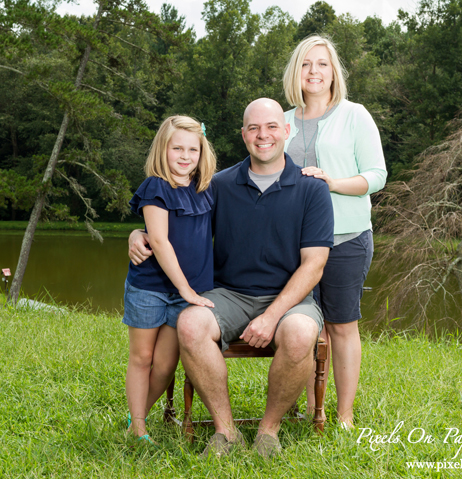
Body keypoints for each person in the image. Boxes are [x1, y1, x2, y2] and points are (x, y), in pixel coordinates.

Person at [129, 99, 334, 458]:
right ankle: (226, 432)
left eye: (271, 126)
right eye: (253, 128)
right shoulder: (218, 184)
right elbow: (174, 220)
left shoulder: (311, 188)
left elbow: (314, 266)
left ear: (286, 132)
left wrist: (271, 316)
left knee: (302, 333)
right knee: (190, 324)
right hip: (228, 294)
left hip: (291, 300)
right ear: (243, 135)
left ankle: (268, 432)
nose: (263, 135)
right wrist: (136, 233)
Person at [281, 35, 388, 429]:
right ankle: (313, 407)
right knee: (307, 326)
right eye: (307, 64)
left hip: (347, 237)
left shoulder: (355, 115)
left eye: (322, 64)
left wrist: (332, 182)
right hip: (295, 245)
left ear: (334, 72)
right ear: (297, 71)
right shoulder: (284, 120)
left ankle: (343, 415)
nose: (314, 72)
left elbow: (377, 176)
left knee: (341, 325)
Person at [122, 115, 216, 444]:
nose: (185, 155)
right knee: (142, 357)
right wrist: (185, 289)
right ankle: (138, 428)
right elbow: (159, 241)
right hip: (150, 288)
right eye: (177, 147)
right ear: (163, 149)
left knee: (164, 365)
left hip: (187, 294)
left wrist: (190, 291)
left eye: (193, 148)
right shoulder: (156, 186)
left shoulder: (206, 190)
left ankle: (137, 418)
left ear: (202, 152)